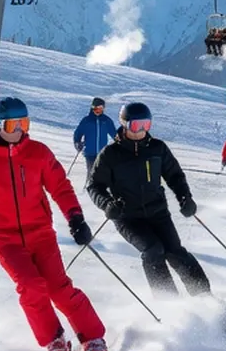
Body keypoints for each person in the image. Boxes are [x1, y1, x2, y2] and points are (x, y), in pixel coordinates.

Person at [0, 97, 106, 351]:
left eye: (24, 123)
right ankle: (55, 340)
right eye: (13, 124)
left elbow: (60, 186)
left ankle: (93, 338)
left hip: (40, 233)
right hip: (3, 239)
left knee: (58, 288)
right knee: (31, 286)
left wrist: (75, 217)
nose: (20, 129)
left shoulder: (37, 153)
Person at [88, 102, 210, 298]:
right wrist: (108, 204)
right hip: (128, 217)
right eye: (137, 125)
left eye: (146, 124)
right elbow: (94, 186)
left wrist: (185, 198)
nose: (141, 131)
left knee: (174, 251)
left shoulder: (157, 148)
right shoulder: (111, 154)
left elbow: (175, 176)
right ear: (125, 124)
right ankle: (168, 301)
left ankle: (204, 296)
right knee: (153, 250)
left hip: (158, 212)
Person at [72, 98, 118, 179]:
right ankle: (88, 186)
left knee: (102, 173)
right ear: (92, 108)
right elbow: (78, 133)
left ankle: (102, 186)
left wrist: (121, 143)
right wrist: (77, 143)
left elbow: (114, 134)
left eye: (101, 108)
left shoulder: (106, 121)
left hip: (102, 153)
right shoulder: (87, 121)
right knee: (92, 173)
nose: (98, 111)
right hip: (90, 153)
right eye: (96, 108)